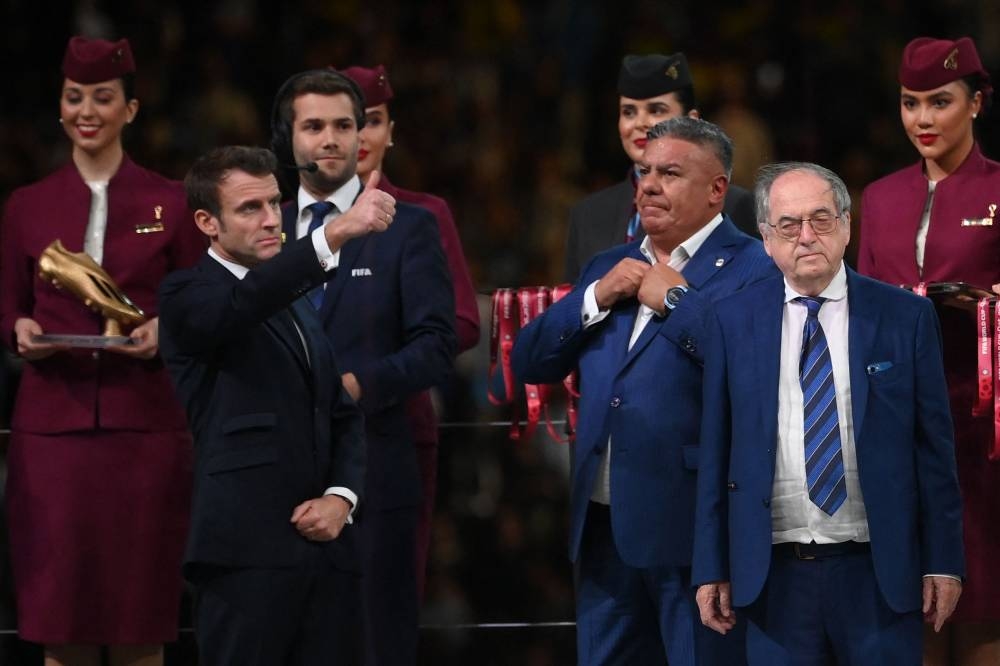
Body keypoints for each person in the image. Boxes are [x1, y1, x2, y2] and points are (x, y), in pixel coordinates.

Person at [512, 116, 776, 665]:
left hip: (694, 536)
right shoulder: (609, 265)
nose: (649, 186)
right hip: (604, 530)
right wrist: (595, 297)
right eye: (644, 172)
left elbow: (756, 376)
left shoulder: (755, 268)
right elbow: (530, 358)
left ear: (717, 189)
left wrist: (678, 303)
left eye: (670, 174)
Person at [694, 162, 965, 665]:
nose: (806, 236)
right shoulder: (731, 320)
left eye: (820, 219)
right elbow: (717, 450)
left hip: (879, 572)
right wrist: (711, 565)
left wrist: (944, 561)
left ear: (845, 225)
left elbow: (934, 450)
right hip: (773, 577)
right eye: (788, 225)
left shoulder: (905, 316)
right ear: (766, 239)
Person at [0, 36, 204, 666]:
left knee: (140, 621)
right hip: (50, 435)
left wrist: (166, 329)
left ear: (131, 109)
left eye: (103, 97)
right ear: (60, 106)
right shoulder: (26, 205)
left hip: (145, 430)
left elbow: (202, 303)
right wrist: (18, 329)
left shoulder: (172, 202)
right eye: (74, 97)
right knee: (61, 619)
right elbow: (7, 304)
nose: (86, 111)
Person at [157, 145, 389, 665]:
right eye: (249, 208)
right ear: (207, 223)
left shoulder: (297, 304)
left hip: (328, 552)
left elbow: (340, 410)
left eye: (273, 203)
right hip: (243, 557)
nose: (270, 220)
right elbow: (243, 304)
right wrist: (333, 234)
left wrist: (341, 497)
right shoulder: (185, 294)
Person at [270, 68, 457, 665]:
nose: (329, 139)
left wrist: (359, 385)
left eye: (343, 125)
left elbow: (437, 343)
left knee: (376, 646)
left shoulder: (410, 226)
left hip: (377, 473)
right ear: (288, 136)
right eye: (313, 126)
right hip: (272, 479)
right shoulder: (262, 227)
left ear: (363, 136)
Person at [857, 36, 1000, 666]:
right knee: (909, 611)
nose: (922, 118)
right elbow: (859, 307)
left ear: (976, 103)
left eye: (940, 101)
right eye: (909, 102)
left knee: (984, 606)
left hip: (982, 431)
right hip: (899, 425)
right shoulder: (879, 197)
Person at [340, 63, 481, 599]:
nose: (359, 136)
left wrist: (389, 362)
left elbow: (463, 321)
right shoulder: (288, 218)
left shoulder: (424, 214)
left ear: (391, 131)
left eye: (372, 121)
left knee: (387, 597)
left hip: (396, 424)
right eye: (346, 122)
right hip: (305, 432)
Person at [564, 52, 758, 283]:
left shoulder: (734, 205)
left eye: (656, 110)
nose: (639, 123)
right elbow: (574, 301)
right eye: (628, 112)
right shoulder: (587, 214)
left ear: (692, 121)